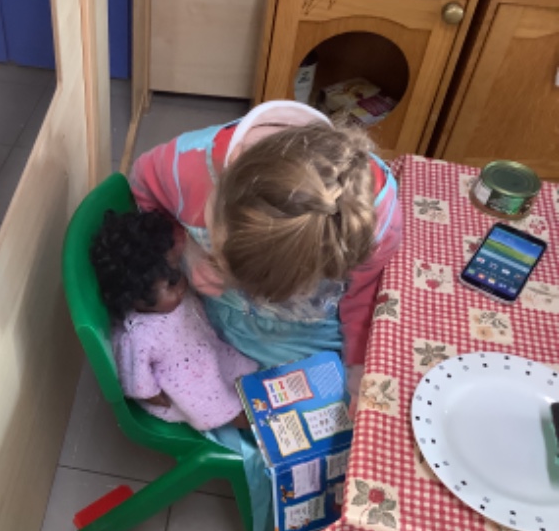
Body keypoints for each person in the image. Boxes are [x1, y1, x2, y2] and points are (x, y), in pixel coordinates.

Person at [130, 100, 402, 405]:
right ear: (230, 170)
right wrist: (186, 248)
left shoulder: (375, 219)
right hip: (228, 314)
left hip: (312, 321)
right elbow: (143, 187)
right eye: (221, 255)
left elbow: (365, 299)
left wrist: (358, 370)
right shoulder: (185, 167)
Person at [89, 209, 258, 431]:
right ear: (138, 298)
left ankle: (254, 399)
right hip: (185, 384)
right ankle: (250, 425)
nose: (181, 285)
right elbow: (135, 374)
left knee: (239, 371)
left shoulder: (170, 299)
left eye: (178, 273)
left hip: (205, 351)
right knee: (219, 403)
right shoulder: (139, 335)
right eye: (171, 283)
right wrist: (151, 394)